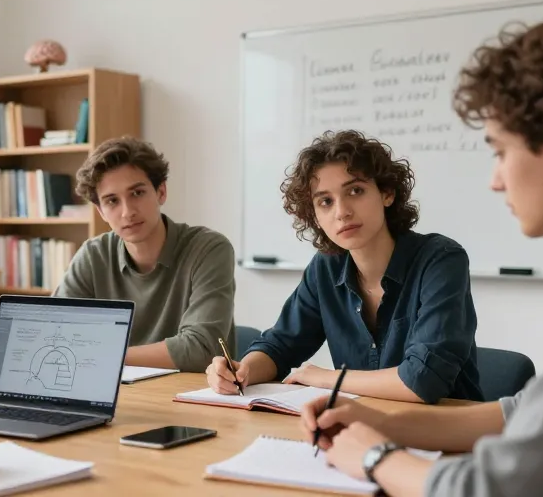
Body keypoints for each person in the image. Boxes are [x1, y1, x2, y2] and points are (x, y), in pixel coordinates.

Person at [300, 9, 543, 496]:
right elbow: (530, 414)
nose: (495, 179)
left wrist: (373, 457)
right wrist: (377, 421)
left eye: (499, 151)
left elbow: (502, 487)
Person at [206, 130, 482, 403]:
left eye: (355, 191)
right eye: (325, 201)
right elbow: (280, 345)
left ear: (386, 193)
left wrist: (325, 378)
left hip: (445, 433)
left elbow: (424, 380)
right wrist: (242, 371)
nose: (342, 212)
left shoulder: (440, 259)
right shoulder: (326, 267)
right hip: (361, 427)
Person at [54, 136, 236, 372]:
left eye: (137, 193)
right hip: (119, 395)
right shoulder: (93, 255)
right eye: (112, 201)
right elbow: (54, 333)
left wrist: (100, 354)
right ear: (100, 211)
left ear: (161, 192)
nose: (127, 212)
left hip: (190, 396)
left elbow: (200, 350)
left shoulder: (208, 249)